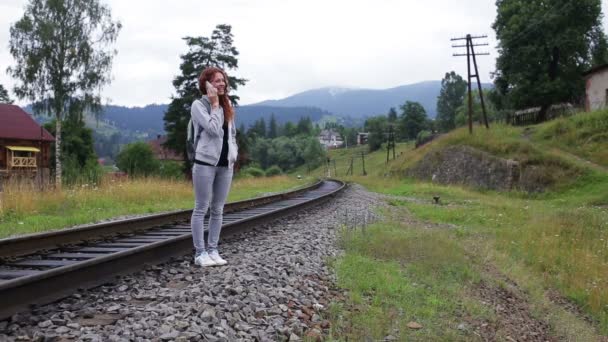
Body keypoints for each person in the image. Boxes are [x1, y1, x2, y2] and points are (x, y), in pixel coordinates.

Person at [190, 66, 238, 267]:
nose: (222, 84)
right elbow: (212, 130)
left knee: (218, 209)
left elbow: (231, 134)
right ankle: (200, 253)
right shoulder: (199, 105)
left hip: (225, 164)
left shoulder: (227, 105)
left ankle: (213, 250)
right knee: (201, 208)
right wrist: (215, 104)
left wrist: (233, 153)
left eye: (223, 80)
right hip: (205, 163)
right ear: (207, 83)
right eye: (217, 80)